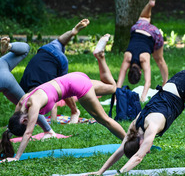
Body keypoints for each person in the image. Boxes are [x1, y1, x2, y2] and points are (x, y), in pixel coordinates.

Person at [82, 14, 185, 176]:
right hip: (179, 80)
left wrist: (117, 174)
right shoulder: (134, 127)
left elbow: (139, 156)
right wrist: (100, 171)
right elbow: (120, 150)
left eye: (143, 145)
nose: (146, 146)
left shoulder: (152, 126)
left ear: (140, 142)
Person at [0, 34, 126, 162]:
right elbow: (13, 125)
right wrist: (5, 138)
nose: (29, 123)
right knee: (112, 87)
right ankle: (100, 55)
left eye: (26, 124)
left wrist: (17, 157)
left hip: (76, 86)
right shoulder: (22, 102)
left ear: (24, 121)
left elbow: (28, 133)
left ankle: (131, 143)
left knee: (105, 120)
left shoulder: (33, 105)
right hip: (72, 78)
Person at [19, 19, 90, 123]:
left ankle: (75, 111)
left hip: (59, 61)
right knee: (59, 42)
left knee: (65, 88)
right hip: (46, 50)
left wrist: (52, 122)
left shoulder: (43, 90)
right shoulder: (24, 86)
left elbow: (54, 104)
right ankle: (72, 31)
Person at [116, 0, 168, 102]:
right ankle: (150, 4)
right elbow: (119, 83)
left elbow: (147, 82)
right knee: (144, 17)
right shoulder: (127, 57)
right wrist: (116, 94)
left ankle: (165, 83)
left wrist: (142, 98)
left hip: (154, 34)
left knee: (159, 60)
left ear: (140, 72)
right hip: (137, 29)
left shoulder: (144, 59)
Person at [0, 37, 55, 139]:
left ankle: (48, 130)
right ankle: (9, 46)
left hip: (3, 76)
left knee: (28, 103)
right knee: (25, 49)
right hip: (2, 67)